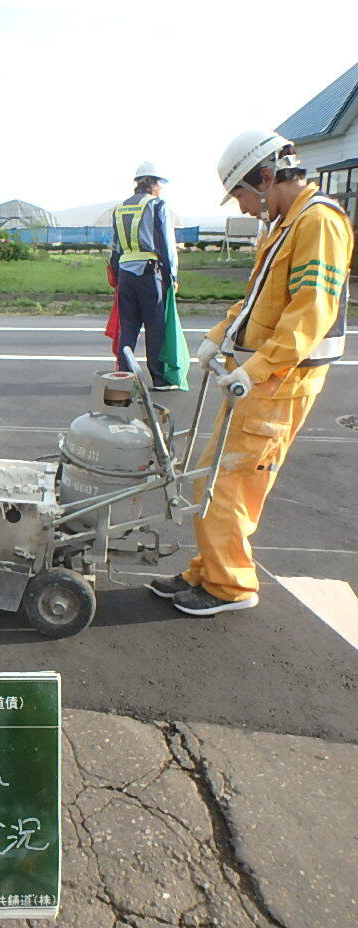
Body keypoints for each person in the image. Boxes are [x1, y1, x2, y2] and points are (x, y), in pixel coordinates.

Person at [149, 130, 351, 615]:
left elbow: (310, 313)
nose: (241, 208)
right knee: (212, 478)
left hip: (280, 382)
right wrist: (220, 333)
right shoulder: (286, 224)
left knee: (230, 487)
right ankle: (208, 569)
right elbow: (259, 299)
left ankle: (230, 586)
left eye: (240, 193)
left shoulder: (318, 222)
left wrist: (256, 368)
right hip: (261, 378)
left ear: (265, 177)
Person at [110, 161, 180, 390]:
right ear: (153, 182)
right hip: (150, 274)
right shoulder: (157, 205)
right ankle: (159, 378)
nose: (161, 188)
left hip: (125, 274)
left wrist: (117, 276)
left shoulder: (119, 208)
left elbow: (115, 247)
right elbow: (167, 245)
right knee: (154, 326)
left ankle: (123, 377)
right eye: (161, 183)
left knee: (128, 326)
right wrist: (172, 276)